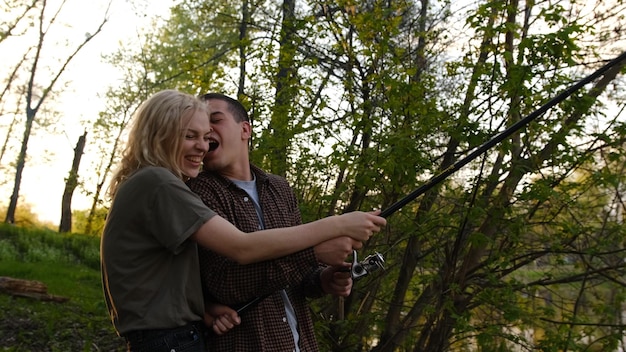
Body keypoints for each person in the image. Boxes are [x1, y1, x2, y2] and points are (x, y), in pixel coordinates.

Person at [99, 89, 387, 352]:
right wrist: (336, 226)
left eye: (207, 131)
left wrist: (205, 309)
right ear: (160, 134)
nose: (203, 143)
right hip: (172, 342)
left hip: (182, 338)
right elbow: (241, 250)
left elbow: (163, 278)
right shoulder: (165, 184)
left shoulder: (277, 188)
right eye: (190, 135)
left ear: (245, 130)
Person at [186, 93, 363, 352]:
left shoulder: (279, 188)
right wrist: (312, 254)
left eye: (215, 120)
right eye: (198, 128)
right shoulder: (198, 193)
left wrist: (324, 279)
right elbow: (225, 284)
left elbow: (299, 279)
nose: (206, 131)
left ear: (245, 129)